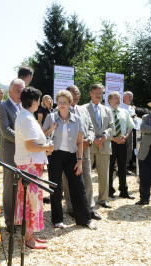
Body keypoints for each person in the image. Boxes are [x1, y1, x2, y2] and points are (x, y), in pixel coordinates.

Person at [43, 90, 96, 230]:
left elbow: (80, 142)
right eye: (59, 102)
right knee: (55, 187)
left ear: (70, 103)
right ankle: (57, 220)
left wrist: (80, 161)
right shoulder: (50, 117)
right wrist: (51, 129)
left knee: (78, 187)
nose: (61, 105)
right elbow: (42, 135)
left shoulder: (77, 119)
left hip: (72, 156)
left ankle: (85, 219)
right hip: (54, 155)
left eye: (64, 103)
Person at [14, 87, 54, 249]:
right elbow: (30, 145)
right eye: (38, 100)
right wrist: (46, 147)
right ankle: (28, 239)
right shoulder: (26, 118)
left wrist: (44, 147)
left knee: (32, 201)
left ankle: (30, 235)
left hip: (31, 164)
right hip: (29, 164)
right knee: (30, 202)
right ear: (35, 101)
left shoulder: (25, 116)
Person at [64, 85, 101, 220]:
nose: (76, 95)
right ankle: (71, 208)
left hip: (85, 150)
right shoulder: (61, 110)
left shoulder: (84, 110)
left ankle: (89, 208)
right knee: (68, 180)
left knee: (88, 179)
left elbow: (91, 128)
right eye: (73, 93)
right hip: (68, 152)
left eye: (78, 92)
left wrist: (90, 139)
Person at [0, 78, 25, 229]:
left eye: (22, 91)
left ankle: (18, 218)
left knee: (21, 186)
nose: (20, 94)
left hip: (23, 153)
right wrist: (25, 139)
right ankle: (9, 221)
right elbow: (5, 131)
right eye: (17, 91)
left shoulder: (22, 107)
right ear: (10, 91)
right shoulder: (2, 107)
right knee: (10, 186)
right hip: (10, 153)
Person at [84, 84, 114, 208]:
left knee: (104, 174)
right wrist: (92, 138)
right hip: (89, 145)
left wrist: (104, 137)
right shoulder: (83, 108)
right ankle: (86, 199)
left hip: (104, 145)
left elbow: (112, 127)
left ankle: (103, 199)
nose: (98, 95)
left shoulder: (107, 109)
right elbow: (81, 126)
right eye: (96, 92)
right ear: (90, 93)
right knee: (87, 175)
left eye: (101, 93)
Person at [108, 91, 135, 199]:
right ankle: (109, 191)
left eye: (119, 98)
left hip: (122, 142)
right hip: (110, 142)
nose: (118, 100)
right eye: (115, 98)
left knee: (123, 167)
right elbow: (103, 128)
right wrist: (113, 139)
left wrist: (125, 136)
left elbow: (130, 126)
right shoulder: (105, 111)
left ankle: (124, 191)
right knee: (109, 168)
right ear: (109, 100)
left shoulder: (125, 112)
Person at [121, 91, 137, 173]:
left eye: (131, 96)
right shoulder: (120, 106)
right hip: (121, 130)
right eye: (128, 96)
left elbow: (133, 119)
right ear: (124, 97)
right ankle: (118, 167)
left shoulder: (132, 107)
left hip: (130, 130)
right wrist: (131, 117)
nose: (130, 98)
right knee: (121, 149)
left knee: (129, 149)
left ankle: (125, 167)